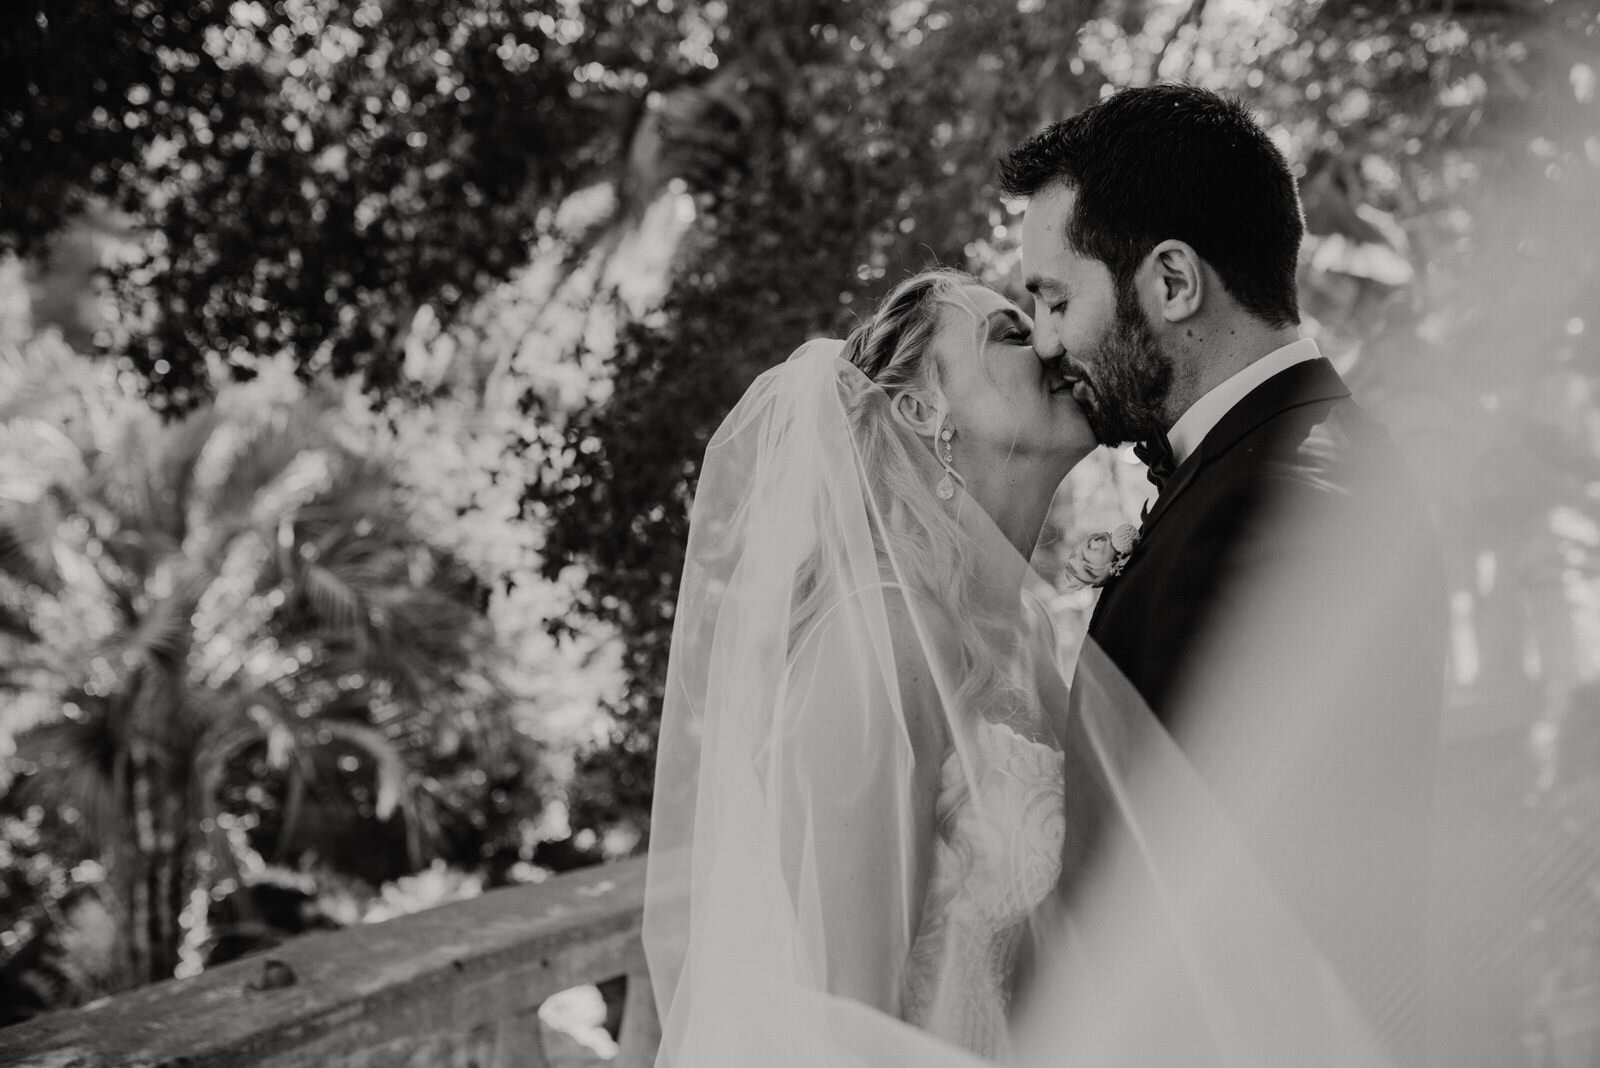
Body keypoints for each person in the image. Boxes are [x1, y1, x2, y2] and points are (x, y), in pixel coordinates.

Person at [1000, 83, 1447, 1063]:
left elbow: (1207, 928)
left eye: (1055, 297)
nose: (1042, 341)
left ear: (1169, 283)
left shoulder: (1277, 507)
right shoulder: (1282, 461)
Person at [642, 268, 1095, 1064]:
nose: (1053, 344)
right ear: (923, 409)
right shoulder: (877, 638)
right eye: (1011, 334)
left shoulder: (1022, 634)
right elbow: (845, 1032)